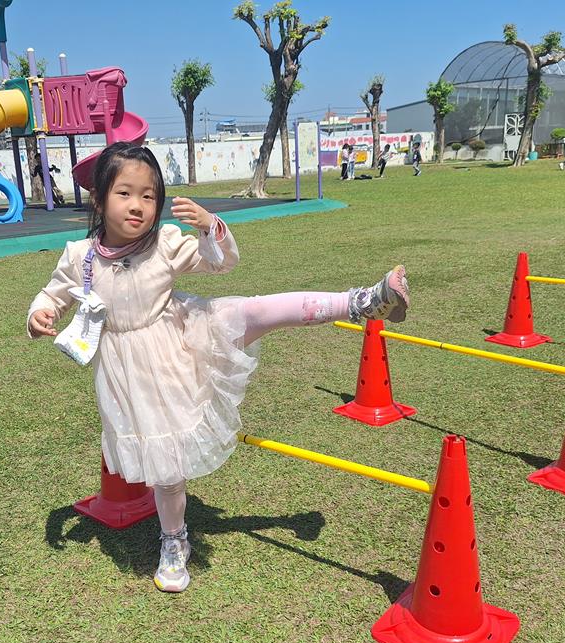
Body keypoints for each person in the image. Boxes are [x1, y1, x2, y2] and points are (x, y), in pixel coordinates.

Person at [27, 143, 411, 592]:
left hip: (184, 337)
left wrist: (211, 226)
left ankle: (364, 300)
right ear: (98, 199)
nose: (137, 206)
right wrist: (40, 314)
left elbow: (221, 262)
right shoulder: (81, 257)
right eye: (124, 193)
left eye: (149, 196)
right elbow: (53, 294)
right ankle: (174, 541)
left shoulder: (165, 243)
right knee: (167, 470)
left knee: (256, 311)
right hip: (134, 376)